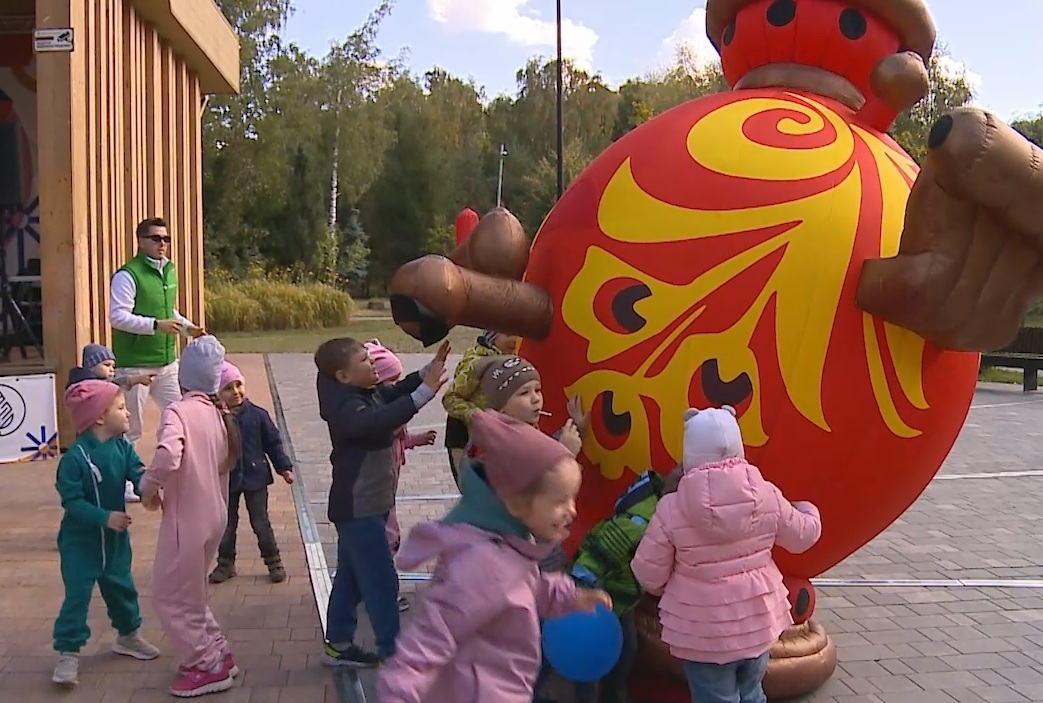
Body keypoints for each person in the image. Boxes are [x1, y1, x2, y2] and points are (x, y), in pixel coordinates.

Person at [377, 410, 612, 703]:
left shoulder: (510, 550)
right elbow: (429, 639)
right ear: (515, 502)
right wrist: (398, 694)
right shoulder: (481, 564)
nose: (572, 510)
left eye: (572, 498)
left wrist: (568, 598)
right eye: (560, 500)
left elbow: (521, 592)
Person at [631, 406, 822, 703]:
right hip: (757, 623)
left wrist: (664, 587)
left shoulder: (672, 507)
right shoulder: (766, 494)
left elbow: (648, 574)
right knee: (752, 692)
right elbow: (802, 537)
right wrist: (808, 509)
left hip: (702, 633)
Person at [315, 337, 449, 668]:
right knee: (381, 582)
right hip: (359, 511)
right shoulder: (348, 409)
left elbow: (392, 393)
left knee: (349, 579)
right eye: (364, 360)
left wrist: (426, 372)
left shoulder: (362, 393)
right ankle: (394, 652)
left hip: (366, 509)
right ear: (343, 376)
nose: (372, 363)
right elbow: (378, 421)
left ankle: (339, 645)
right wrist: (423, 395)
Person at [139, 336, 241, 698]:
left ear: (183, 379)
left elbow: (168, 457)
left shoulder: (179, 412)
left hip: (187, 522)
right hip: (214, 518)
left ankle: (207, 663)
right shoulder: (217, 413)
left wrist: (147, 487)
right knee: (191, 592)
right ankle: (217, 651)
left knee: (170, 597)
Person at [51, 379, 160, 688]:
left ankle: (128, 636)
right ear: (99, 417)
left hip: (114, 542)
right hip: (79, 544)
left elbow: (138, 473)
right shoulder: (74, 460)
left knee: (122, 588)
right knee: (77, 597)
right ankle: (68, 653)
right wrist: (104, 517)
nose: (128, 414)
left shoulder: (123, 448)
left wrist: (148, 490)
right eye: (122, 408)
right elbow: (72, 502)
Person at [109, 217, 206, 501]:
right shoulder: (128, 275)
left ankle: (176, 473)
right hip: (135, 363)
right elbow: (118, 316)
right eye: (155, 238)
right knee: (130, 426)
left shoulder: (169, 271)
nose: (161, 244)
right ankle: (125, 482)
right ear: (140, 241)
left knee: (180, 415)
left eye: (166, 239)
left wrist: (188, 328)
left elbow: (168, 311)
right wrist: (155, 325)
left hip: (166, 362)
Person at [567, 467, 679, 703]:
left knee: (627, 652)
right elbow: (592, 561)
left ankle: (614, 694)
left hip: (625, 603)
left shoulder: (663, 525)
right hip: (601, 601)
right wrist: (584, 595)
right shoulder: (636, 526)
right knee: (591, 663)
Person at [363, 340, 438, 613]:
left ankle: (370, 587)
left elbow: (399, 441)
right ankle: (384, 593)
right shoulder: (377, 417)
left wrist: (416, 439)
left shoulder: (387, 418)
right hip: (379, 492)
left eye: (397, 381)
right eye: (390, 382)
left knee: (381, 539)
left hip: (386, 489)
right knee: (387, 538)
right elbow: (387, 435)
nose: (394, 389)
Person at [208, 361, 295, 585]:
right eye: (228, 388)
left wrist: (283, 467)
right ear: (217, 393)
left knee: (260, 522)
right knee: (225, 523)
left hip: (256, 478)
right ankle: (225, 563)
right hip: (226, 478)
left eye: (238, 385)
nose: (235, 391)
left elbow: (273, 443)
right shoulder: (213, 418)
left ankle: (274, 561)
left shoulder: (258, 415)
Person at [442, 330, 517, 485]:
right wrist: (478, 415)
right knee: (473, 492)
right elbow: (450, 398)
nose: (515, 339)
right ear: (492, 338)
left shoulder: (512, 359)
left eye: (518, 334)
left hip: (491, 436)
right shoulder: (476, 363)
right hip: (463, 437)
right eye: (508, 334)